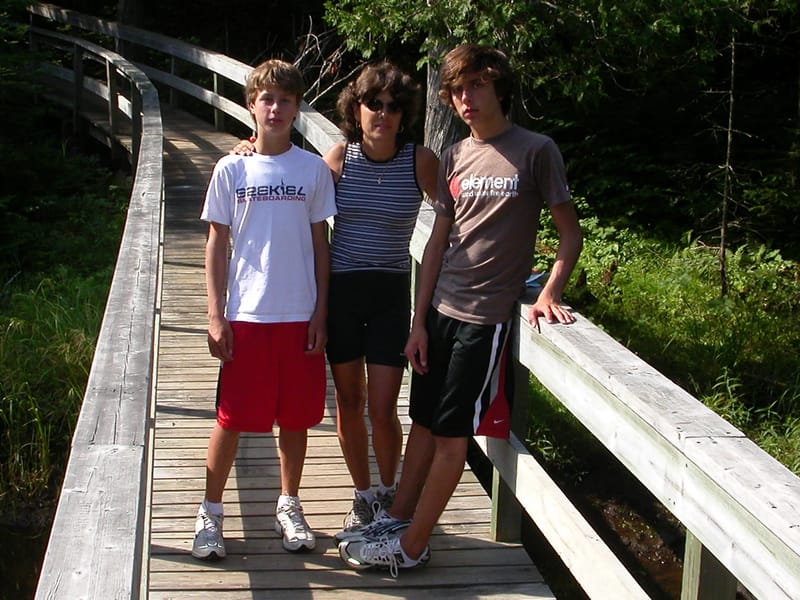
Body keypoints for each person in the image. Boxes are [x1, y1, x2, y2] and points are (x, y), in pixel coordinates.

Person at [337, 44, 583, 575]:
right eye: (455, 91)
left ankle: (412, 547)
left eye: (475, 86)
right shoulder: (454, 156)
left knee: (452, 435)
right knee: (423, 421)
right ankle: (398, 519)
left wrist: (550, 292)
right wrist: (418, 321)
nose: (464, 99)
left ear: (498, 87)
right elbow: (437, 242)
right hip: (442, 309)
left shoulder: (536, 150)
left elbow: (570, 234)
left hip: (486, 318)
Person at [234, 61, 439, 535]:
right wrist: (248, 149)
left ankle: (389, 493)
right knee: (349, 400)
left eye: (392, 106)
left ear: (403, 113)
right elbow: (290, 178)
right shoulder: (339, 159)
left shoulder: (419, 160)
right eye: (373, 104)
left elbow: (452, 216)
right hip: (343, 291)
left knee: (384, 406)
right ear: (357, 109)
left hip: (390, 293)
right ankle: (363, 494)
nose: (383, 114)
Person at [192, 58, 337, 561]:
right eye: (267, 99)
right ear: (252, 104)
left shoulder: (312, 168)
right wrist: (215, 313)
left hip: (298, 314)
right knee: (230, 418)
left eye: (286, 100)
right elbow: (215, 243)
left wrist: (321, 311)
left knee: (295, 419)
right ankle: (210, 513)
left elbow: (321, 243)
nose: (276, 109)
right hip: (247, 315)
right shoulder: (232, 167)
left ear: (297, 109)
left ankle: (289, 504)